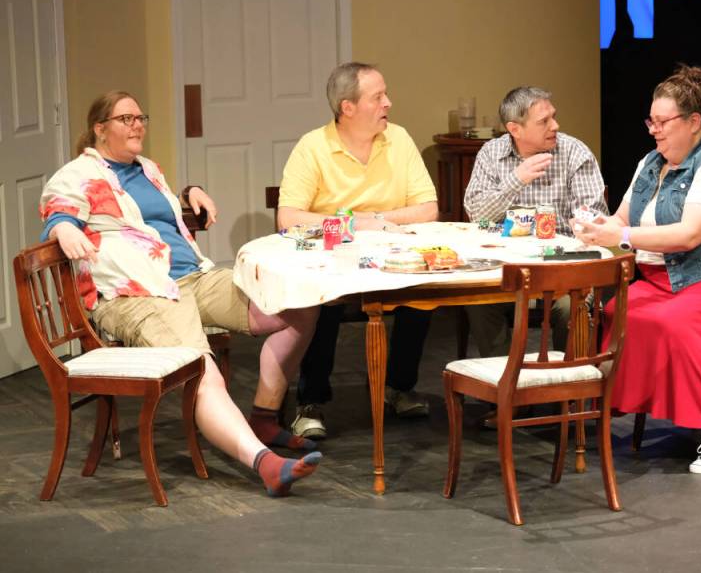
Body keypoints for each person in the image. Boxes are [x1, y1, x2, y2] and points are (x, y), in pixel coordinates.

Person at [40, 91, 321, 497]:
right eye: (126, 119)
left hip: (191, 279)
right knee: (202, 369)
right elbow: (57, 211)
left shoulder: (147, 168)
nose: (138, 125)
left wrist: (190, 191)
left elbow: (154, 214)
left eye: (141, 117)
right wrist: (64, 228)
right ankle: (265, 463)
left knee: (298, 306)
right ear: (100, 129)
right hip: (138, 294)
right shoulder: (77, 174)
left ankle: (263, 417)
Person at [574, 66, 701, 474]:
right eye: (650, 121)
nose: (654, 130)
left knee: (676, 322)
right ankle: (594, 407)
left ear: (694, 121)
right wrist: (597, 228)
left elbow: (689, 234)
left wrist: (622, 235)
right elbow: (622, 219)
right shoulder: (651, 163)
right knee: (618, 313)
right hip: (671, 277)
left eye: (662, 121)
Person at [278, 62, 439, 439]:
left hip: (390, 253)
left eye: (386, 94)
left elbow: (428, 208)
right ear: (347, 107)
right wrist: (354, 225)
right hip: (334, 257)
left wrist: (377, 219)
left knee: (422, 295)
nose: (388, 103)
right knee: (322, 301)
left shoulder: (398, 139)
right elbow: (288, 217)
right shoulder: (313, 147)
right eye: (378, 97)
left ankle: (398, 387)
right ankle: (310, 402)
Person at [462, 86, 607, 359]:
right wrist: (516, 180)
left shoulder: (575, 153)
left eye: (554, 117)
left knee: (569, 306)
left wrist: (584, 223)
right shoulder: (491, 153)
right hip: (505, 266)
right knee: (479, 302)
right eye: (544, 121)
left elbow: (594, 217)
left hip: (560, 265)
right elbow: (477, 215)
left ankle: (568, 378)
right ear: (515, 129)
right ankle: (505, 378)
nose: (555, 125)